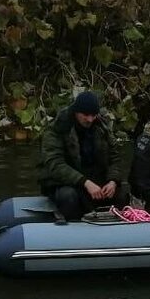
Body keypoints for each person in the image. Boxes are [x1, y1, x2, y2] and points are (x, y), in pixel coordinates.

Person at [37, 90, 128, 221]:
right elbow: (55, 164)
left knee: (122, 194)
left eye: (93, 115)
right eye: (85, 115)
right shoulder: (57, 129)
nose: (90, 119)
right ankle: (72, 227)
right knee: (69, 197)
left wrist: (113, 181)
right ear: (76, 112)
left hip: (95, 179)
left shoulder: (102, 128)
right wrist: (85, 182)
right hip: (66, 182)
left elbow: (115, 157)